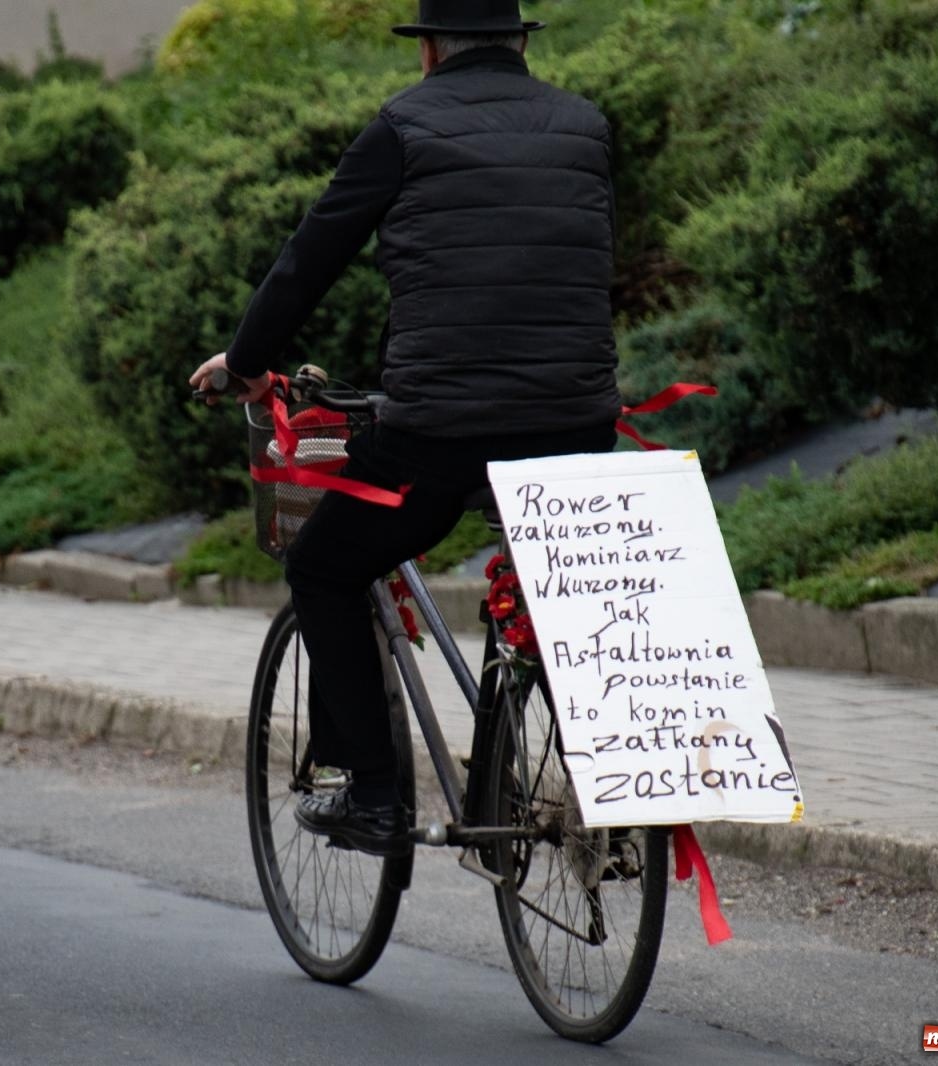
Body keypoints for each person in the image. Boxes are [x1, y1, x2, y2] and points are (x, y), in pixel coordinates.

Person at [190, 0, 621, 855]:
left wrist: (247, 361)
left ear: (427, 51)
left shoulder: (402, 127)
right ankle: (593, 769)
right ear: (519, 42)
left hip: (440, 434)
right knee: (557, 594)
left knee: (323, 566)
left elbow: (310, 258)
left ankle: (375, 798)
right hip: (579, 423)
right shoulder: (586, 126)